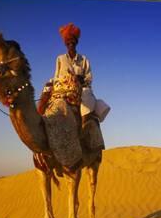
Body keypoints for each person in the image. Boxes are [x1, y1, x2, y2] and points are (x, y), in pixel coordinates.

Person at [38, 23, 108, 151]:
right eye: (68, 42)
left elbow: (89, 78)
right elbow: (57, 75)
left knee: (87, 99)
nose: (71, 44)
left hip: (81, 89)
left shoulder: (84, 60)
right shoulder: (60, 59)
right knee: (46, 97)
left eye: (72, 42)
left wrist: (81, 80)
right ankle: (40, 126)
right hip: (63, 88)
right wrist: (52, 84)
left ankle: (84, 127)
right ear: (66, 44)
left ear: (76, 43)